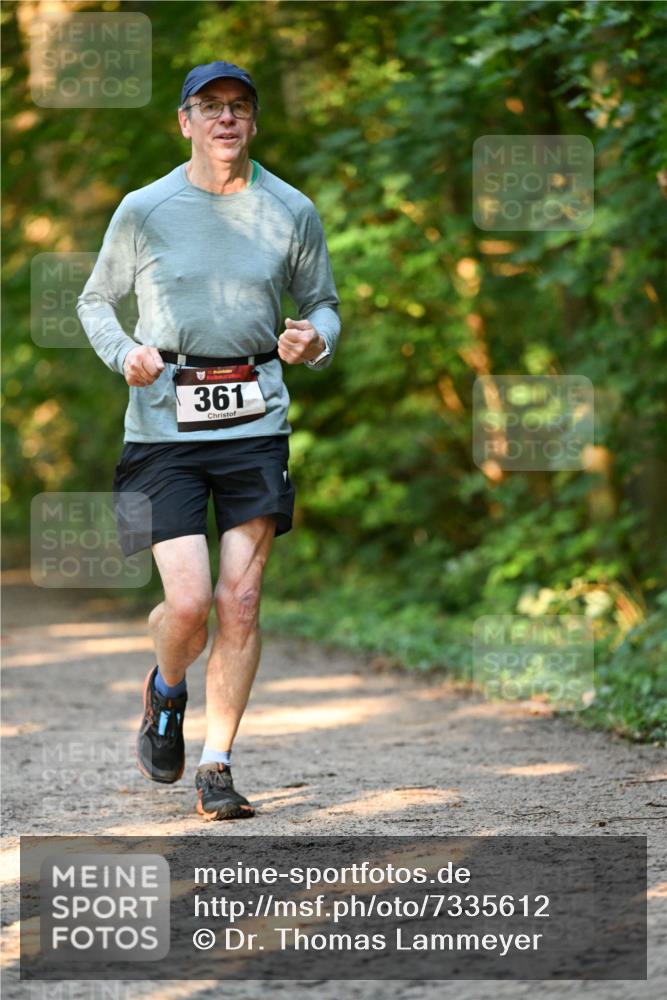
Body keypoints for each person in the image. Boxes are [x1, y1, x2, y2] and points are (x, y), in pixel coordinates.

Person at [76, 60, 340, 821]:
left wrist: (312, 343)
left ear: (253, 123)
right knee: (187, 605)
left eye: (240, 107)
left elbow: (323, 304)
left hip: (256, 416)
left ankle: (217, 764)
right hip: (161, 426)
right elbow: (95, 300)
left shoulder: (291, 209)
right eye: (210, 106)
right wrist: (123, 352)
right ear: (184, 122)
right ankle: (165, 692)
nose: (227, 118)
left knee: (242, 598)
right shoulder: (144, 208)